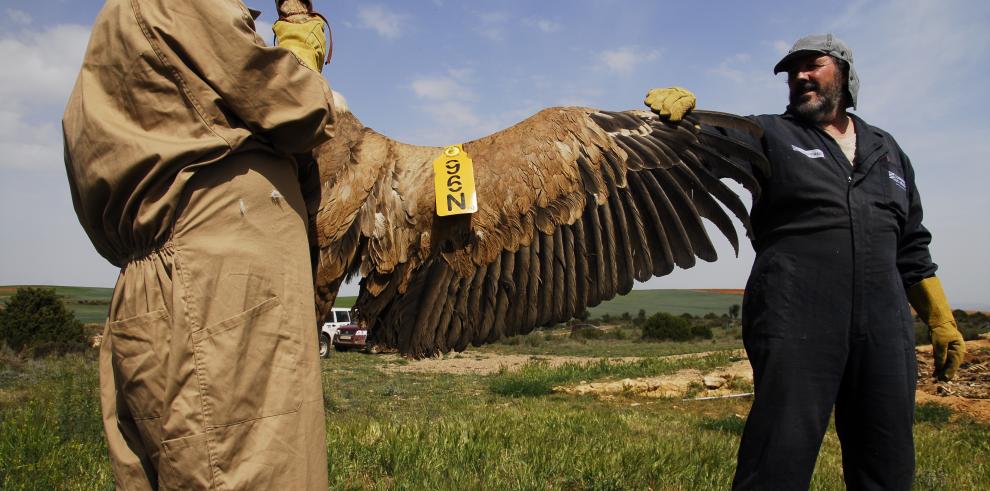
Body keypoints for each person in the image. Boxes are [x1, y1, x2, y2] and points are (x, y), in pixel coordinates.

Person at [646, 33, 965, 489]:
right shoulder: (767, 134)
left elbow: (912, 245)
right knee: (778, 456)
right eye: (792, 71)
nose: (800, 76)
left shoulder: (888, 150)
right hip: (796, 314)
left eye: (812, 65)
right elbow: (698, 146)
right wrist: (681, 121)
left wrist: (939, 319)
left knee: (888, 459)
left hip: (884, 327)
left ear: (846, 74)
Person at [62, 0, 335, 488]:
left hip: (157, 290)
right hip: (222, 286)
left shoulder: (108, 41)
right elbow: (297, 106)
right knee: (255, 470)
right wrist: (298, 39)